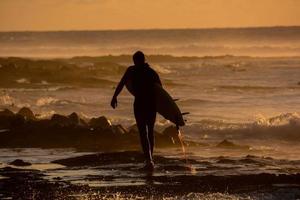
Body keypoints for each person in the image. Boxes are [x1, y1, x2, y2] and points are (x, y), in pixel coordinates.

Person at [111, 51, 162, 170]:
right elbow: (160, 91)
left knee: (146, 132)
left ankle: (149, 159)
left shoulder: (132, 70)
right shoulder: (151, 72)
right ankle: (149, 159)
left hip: (141, 104)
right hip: (149, 105)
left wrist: (115, 97)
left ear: (135, 61)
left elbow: (122, 83)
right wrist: (114, 96)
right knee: (147, 132)